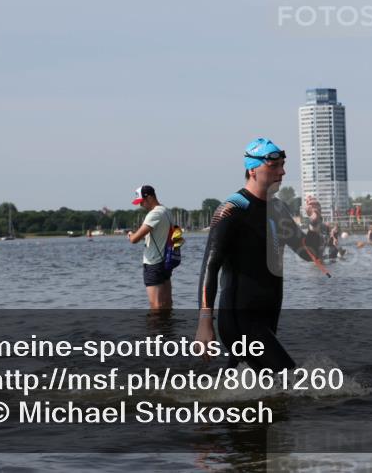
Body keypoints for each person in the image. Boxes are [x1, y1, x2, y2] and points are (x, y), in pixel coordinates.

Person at [196, 138, 325, 372]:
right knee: (290, 379)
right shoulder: (231, 209)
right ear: (252, 169)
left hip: (267, 316)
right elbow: (210, 266)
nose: (282, 172)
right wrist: (205, 320)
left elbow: (307, 253)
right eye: (274, 166)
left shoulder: (279, 208)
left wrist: (315, 224)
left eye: (283, 165)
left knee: (251, 387)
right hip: (239, 318)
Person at [127, 185, 174, 311]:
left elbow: (134, 239)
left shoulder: (154, 214)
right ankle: (168, 328)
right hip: (166, 262)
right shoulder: (166, 211)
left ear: (150, 197)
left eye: (141, 201)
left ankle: (156, 330)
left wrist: (131, 235)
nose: (141, 205)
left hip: (153, 263)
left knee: (156, 306)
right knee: (167, 303)